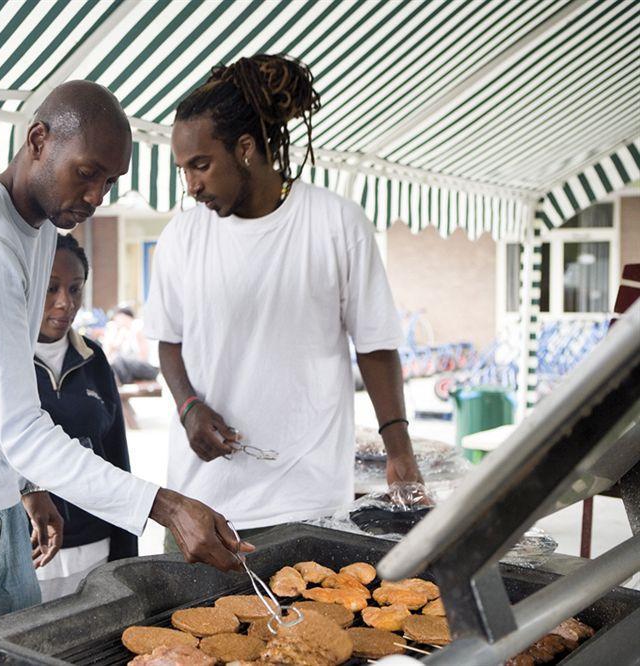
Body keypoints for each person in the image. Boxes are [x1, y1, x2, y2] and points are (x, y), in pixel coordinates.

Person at [0, 81, 249, 665]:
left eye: (109, 182)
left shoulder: (36, 226)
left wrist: (26, 486)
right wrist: (168, 506)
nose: (95, 196)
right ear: (39, 140)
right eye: (87, 173)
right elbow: (23, 428)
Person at [145, 54, 425, 550]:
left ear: (246, 148)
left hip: (308, 506)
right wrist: (188, 406)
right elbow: (169, 341)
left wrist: (398, 450)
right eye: (183, 170)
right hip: (203, 508)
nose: (191, 186)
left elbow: (376, 345)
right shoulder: (182, 236)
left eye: (201, 165)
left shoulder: (336, 223)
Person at [32, 235, 136, 601]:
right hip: (28, 552)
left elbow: (116, 455)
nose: (66, 302)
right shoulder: (6, 358)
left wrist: (126, 549)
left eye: (75, 289)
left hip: (96, 543)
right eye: (51, 288)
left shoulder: (92, 357)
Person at [103, 306, 160, 385]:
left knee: (118, 360)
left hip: (150, 369)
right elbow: (108, 353)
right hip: (135, 368)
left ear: (124, 316)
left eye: (117, 319)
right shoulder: (125, 331)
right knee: (113, 362)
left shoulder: (138, 327)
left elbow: (144, 356)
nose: (116, 322)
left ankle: (122, 385)